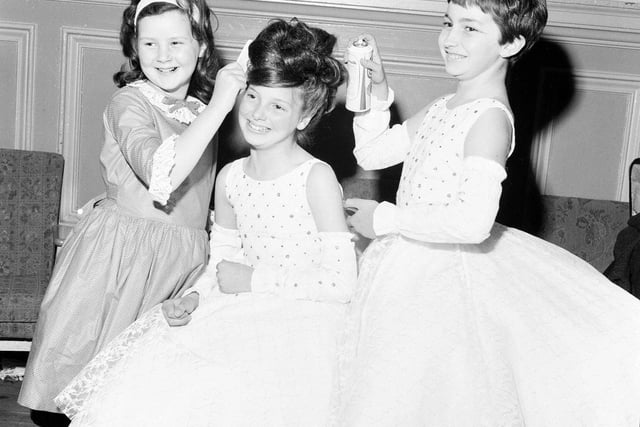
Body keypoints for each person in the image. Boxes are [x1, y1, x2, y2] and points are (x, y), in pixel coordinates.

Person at [337, 0, 640, 425]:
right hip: (402, 264)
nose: (449, 39)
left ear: (512, 42)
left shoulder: (490, 122)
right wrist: (376, 92)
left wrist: (384, 220)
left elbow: (472, 223)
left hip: (445, 279)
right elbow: (371, 151)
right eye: (447, 23)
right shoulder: (444, 107)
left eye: (470, 28)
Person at [54, 18, 357, 427]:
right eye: (252, 97)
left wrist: (254, 281)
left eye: (278, 105)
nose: (257, 114)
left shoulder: (316, 178)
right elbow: (221, 261)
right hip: (232, 310)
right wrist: (195, 297)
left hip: (302, 324)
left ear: (304, 118)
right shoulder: (230, 177)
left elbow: (341, 282)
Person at [19, 0, 246, 416]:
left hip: (181, 261)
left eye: (176, 41)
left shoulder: (198, 111)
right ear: (135, 49)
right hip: (121, 259)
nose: (163, 55)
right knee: (80, 390)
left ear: (200, 48)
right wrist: (219, 107)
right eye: (150, 43)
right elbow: (161, 175)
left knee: (147, 397)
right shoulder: (130, 102)